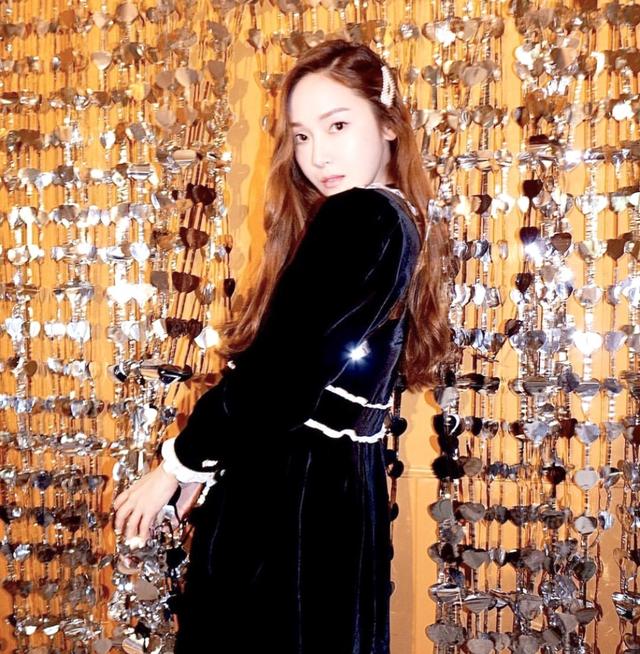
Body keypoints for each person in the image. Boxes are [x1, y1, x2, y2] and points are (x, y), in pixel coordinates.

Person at [113, 38, 451, 654]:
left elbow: (278, 379)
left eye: (338, 125)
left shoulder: (362, 216)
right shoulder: (399, 219)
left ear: (389, 124)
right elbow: (313, 375)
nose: (318, 154)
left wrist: (178, 463)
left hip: (289, 506)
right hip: (334, 494)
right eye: (301, 136)